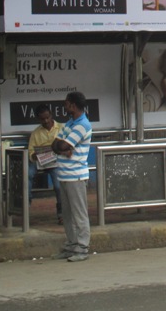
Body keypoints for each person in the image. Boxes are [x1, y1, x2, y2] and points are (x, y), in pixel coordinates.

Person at [51, 91, 92, 262]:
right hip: (64, 175)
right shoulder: (69, 123)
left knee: (79, 214)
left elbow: (63, 145)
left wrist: (63, 146)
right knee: (67, 215)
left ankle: (82, 247)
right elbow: (55, 145)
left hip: (76, 176)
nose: (65, 106)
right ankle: (71, 245)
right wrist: (63, 148)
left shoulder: (82, 125)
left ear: (73, 106)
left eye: (67, 104)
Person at [27, 104, 63, 224]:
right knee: (27, 174)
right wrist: (38, 155)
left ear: (51, 115)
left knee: (58, 186)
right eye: (43, 119)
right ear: (38, 119)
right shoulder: (36, 133)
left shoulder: (61, 128)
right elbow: (31, 153)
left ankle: (61, 213)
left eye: (47, 117)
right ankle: (26, 203)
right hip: (39, 161)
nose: (46, 121)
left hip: (55, 161)